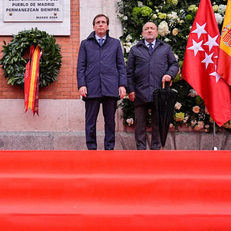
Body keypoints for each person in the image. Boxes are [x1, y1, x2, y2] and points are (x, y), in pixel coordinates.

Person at [76, 14, 127, 150]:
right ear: (93, 26)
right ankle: (91, 148)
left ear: (107, 26)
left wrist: (122, 85)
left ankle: (109, 148)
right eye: (97, 22)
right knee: (90, 122)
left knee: (110, 121)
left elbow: (121, 66)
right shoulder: (85, 44)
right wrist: (82, 85)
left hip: (110, 87)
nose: (100, 24)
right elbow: (81, 66)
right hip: (91, 88)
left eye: (103, 22)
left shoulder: (115, 43)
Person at [126, 21, 179, 150]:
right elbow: (129, 72)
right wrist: (131, 90)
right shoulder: (135, 49)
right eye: (146, 29)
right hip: (140, 92)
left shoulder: (165, 48)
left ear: (156, 32)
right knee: (140, 124)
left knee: (157, 123)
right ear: (142, 33)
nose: (149, 30)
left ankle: (156, 150)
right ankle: (141, 150)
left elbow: (174, 64)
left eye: (152, 28)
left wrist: (169, 75)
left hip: (159, 92)